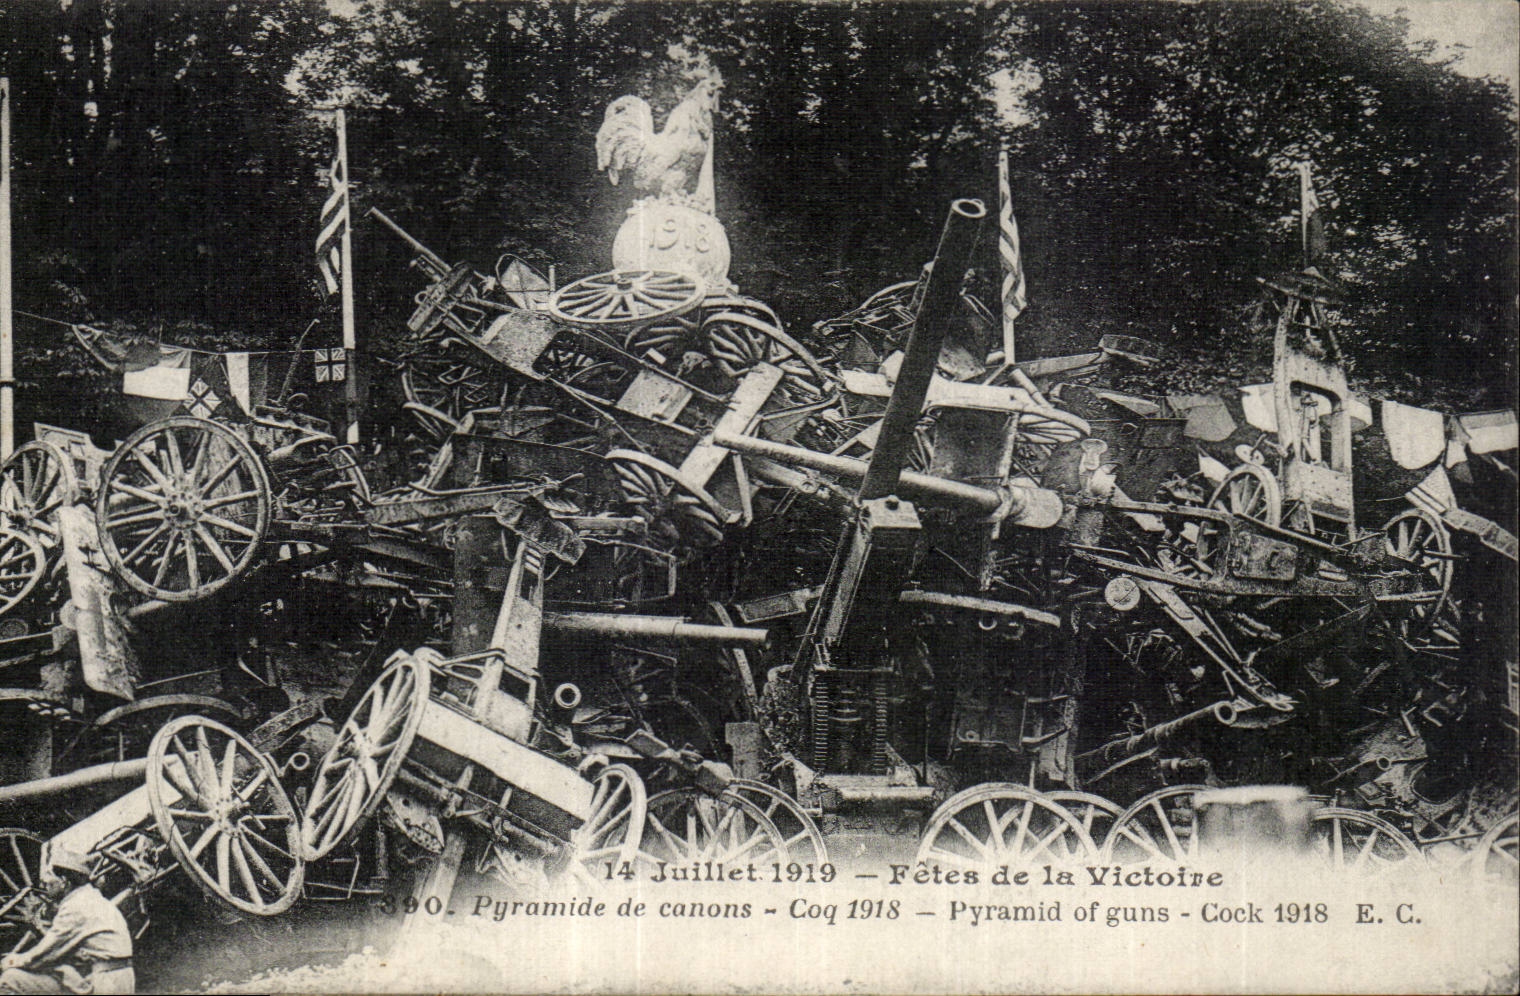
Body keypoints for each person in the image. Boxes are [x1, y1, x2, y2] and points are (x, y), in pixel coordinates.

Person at [0, 850, 133, 994]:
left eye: (49, 877)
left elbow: (44, 955)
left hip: (106, 984)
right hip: (113, 978)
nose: (44, 883)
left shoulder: (75, 907)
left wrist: (11, 961)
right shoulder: (90, 898)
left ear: (64, 882)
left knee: (11, 978)